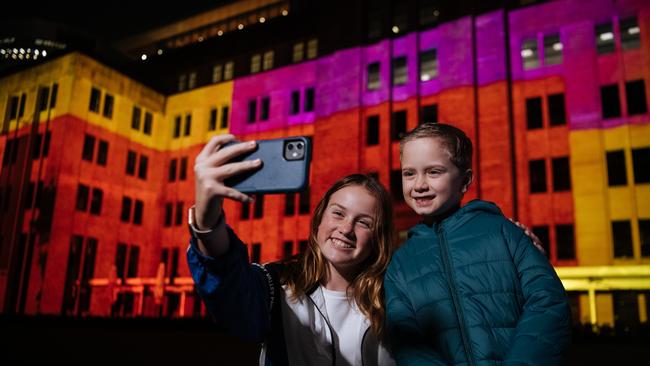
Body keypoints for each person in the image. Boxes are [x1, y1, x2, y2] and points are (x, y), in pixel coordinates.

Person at [186, 134, 396, 366]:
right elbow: (229, 286)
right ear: (319, 220)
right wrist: (206, 220)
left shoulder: (396, 298)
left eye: (364, 222)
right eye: (338, 213)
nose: (346, 228)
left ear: (379, 237)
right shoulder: (278, 284)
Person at [384, 123, 572, 365]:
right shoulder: (401, 263)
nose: (419, 184)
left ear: (465, 180)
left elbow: (548, 303)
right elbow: (408, 344)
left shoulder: (504, 232)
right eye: (409, 173)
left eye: (434, 172)